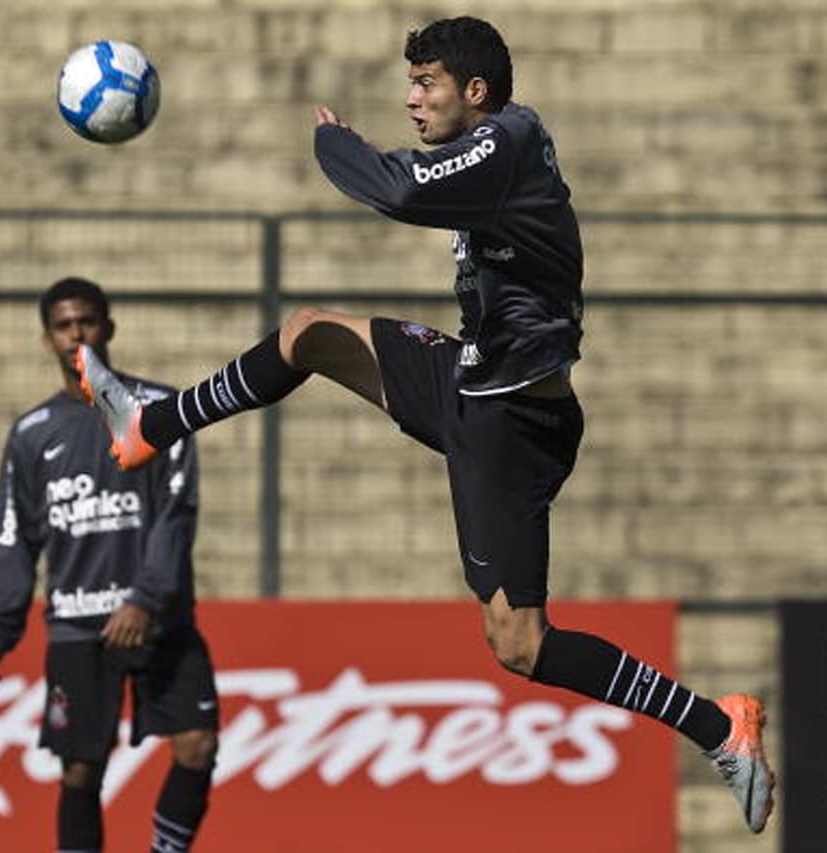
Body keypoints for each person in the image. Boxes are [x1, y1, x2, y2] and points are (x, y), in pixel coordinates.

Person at [77, 16, 775, 833]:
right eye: (410, 84)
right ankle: (148, 427)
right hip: (472, 380)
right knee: (310, 334)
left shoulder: (508, 139)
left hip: (511, 426)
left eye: (427, 84)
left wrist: (336, 149)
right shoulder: (491, 145)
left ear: (473, 92)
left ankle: (721, 726)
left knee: (520, 645)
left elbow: (401, 190)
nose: (412, 99)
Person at [0, 277, 219, 853]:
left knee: (198, 746)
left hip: (158, 620)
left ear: (108, 327)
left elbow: (176, 514)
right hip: (79, 625)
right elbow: (13, 534)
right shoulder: (32, 434)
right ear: (47, 339)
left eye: (86, 321)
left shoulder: (160, 412)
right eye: (63, 325)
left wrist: (145, 599)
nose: (76, 333)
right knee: (81, 772)